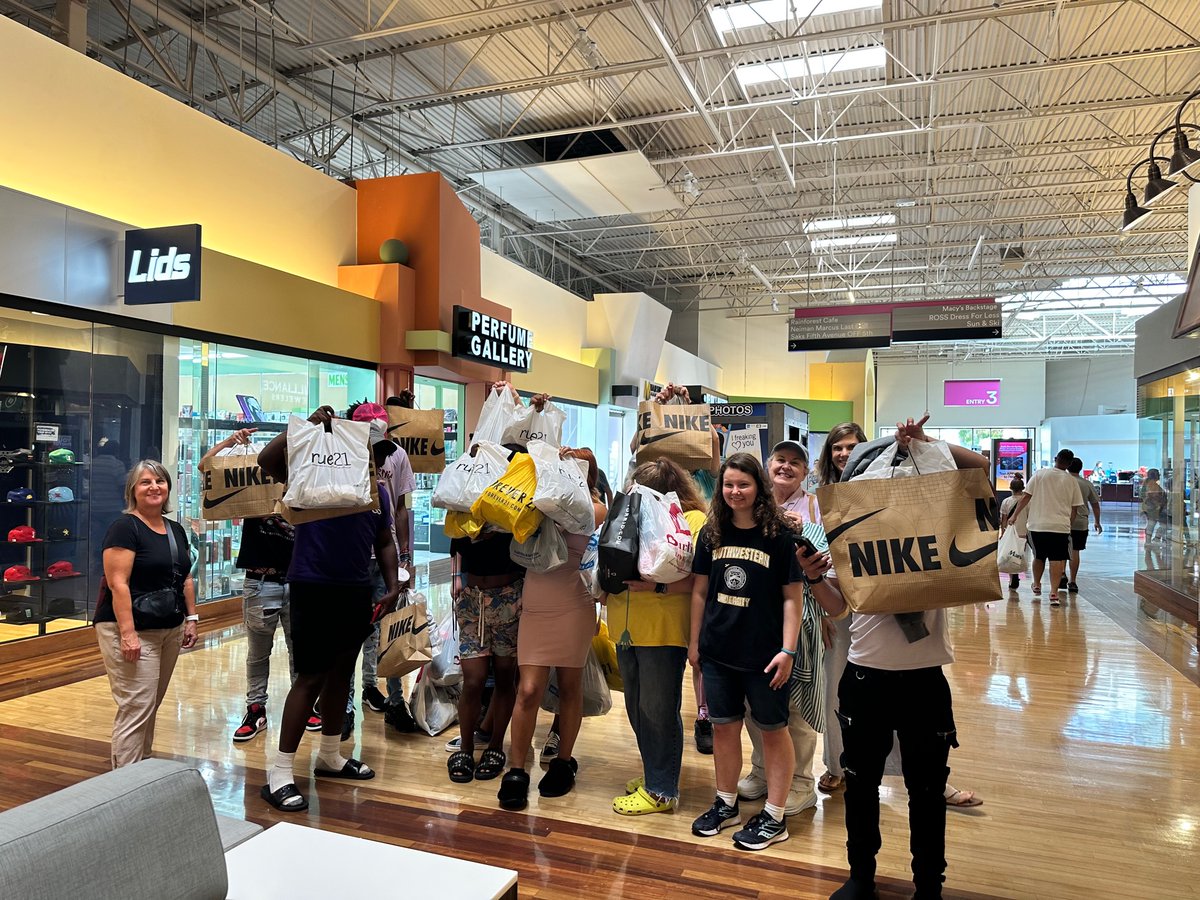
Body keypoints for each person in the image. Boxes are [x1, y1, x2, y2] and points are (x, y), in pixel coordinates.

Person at [818, 416, 989, 900]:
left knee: (928, 792)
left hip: (923, 681)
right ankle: (861, 875)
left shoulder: (937, 526)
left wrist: (924, 443)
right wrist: (814, 578)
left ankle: (928, 885)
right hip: (865, 676)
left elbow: (980, 466)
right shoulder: (848, 534)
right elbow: (839, 607)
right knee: (861, 786)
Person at [257, 406, 400, 812]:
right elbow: (266, 461)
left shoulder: (377, 491)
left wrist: (392, 585)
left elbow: (384, 540)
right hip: (312, 585)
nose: (375, 458)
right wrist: (305, 426)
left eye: (377, 452)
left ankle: (330, 755)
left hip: (356, 588)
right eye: (369, 450)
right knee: (312, 676)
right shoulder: (312, 473)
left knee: (342, 674)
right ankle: (280, 772)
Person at [688, 452, 804, 852]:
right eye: (729, 484)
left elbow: (793, 598)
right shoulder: (711, 532)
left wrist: (788, 649)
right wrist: (694, 642)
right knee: (723, 728)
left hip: (766, 655)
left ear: (760, 488)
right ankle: (726, 804)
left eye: (744, 484)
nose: (735, 492)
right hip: (719, 651)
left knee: (773, 732)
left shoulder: (781, 535)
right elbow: (700, 591)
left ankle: (775, 815)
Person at [498, 444, 607, 810]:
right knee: (527, 689)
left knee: (570, 686)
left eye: (579, 466)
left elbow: (577, 520)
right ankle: (517, 769)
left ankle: (563, 762)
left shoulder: (595, 507)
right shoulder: (541, 496)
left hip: (575, 603)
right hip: (537, 601)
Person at [610, 458, 707, 816]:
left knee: (658, 710)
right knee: (637, 707)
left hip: (664, 630)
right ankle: (657, 773)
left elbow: (699, 580)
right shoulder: (629, 517)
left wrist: (659, 584)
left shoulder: (692, 521)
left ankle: (662, 789)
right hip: (625, 624)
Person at [737, 440, 827, 818]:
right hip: (755, 621)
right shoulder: (753, 504)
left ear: (805, 471)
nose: (786, 467)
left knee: (796, 707)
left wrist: (801, 531)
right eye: (780, 460)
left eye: (795, 462)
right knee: (754, 705)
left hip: (801, 620)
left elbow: (827, 561)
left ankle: (802, 782)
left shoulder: (816, 507)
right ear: (768, 465)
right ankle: (762, 768)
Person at [95, 460, 198, 768]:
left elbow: (186, 577)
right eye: (145, 482)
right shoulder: (125, 528)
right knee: (136, 705)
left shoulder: (175, 529)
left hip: (169, 628)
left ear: (167, 488)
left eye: (159, 481)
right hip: (131, 629)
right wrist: (127, 634)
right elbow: (118, 584)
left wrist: (191, 618)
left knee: (149, 705)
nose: (154, 487)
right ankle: (124, 784)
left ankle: (142, 772)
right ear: (133, 491)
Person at [201, 428, 297, 744]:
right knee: (258, 654)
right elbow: (206, 468)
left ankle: (303, 707)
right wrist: (230, 443)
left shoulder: (301, 481)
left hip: (296, 581)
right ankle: (255, 709)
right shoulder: (254, 483)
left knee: (300, 653)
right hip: (260, 581)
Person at [813, 422, 866, 794]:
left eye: (851, 446)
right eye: (837, 447)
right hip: (833, 602)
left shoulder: (878, 488)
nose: (844, 453)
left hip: (878, 604)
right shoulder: (820, 497)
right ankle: (836, 764)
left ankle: (877, 765)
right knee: (835, 686)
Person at [1006, 449, 1083, 607]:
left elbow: (1026, 497)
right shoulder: (1072, 481)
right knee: (1056, 560)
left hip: (1037, 526)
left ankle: (1036, 584)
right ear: (1069, 464)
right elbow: (1075, 508)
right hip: (1060, 527)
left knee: (1039, 556)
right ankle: (1054, 592)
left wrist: (1014, 516)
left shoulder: (1040, 474)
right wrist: (1068, 524)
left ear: (1056, 459)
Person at [1065, 458, 1102, 593]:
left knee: (1062, 550)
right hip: (1080, 522)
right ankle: (1072, 581)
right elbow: (1095, 505)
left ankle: (1061, 575)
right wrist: (1097, 521)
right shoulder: (1086, 484)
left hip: (1062, 520)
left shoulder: (1063, 481)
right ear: (1080, 468)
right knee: (1075, 551)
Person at [999, 475, 1030, 594]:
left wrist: (1003, 532)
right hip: (1023, 532)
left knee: (1011, 555)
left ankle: (1013, 577)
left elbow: (1004, 519)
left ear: (1010, 488)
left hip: (1011, 532)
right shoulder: (1027, 502)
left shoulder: (1006, 501)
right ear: (1023, 488)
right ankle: (1016, 573)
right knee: (1019, 554)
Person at [1142, 468, 1166, 542]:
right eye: (1158, 474)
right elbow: (1153, 495)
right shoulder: (1152, 484)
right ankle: (1153, 539)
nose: (1159, 476)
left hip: (1152, 507)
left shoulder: (1149, 483)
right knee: (1157, 524)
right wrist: (1158, 504)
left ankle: (1152, 539)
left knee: (1152, 523)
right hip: (1153, 508)